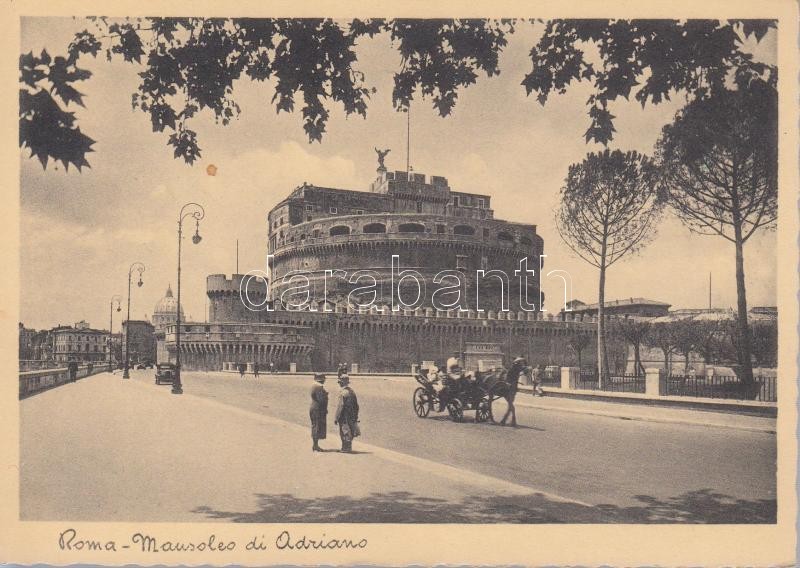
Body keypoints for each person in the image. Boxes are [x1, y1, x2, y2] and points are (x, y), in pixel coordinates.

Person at [334, 374, 360, 453]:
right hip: (352, 415)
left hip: (344, 415)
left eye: (340, 382)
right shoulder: (352, 392)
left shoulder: (343, 393)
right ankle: (348, 447)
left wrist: (336, 417)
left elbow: (340, 406)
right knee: (351, 430)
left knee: (344, 431)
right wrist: (355, 415)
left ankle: (345, 448)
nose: (339, 384)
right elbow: (356, 405)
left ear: (341, 383)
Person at [500, 356, 526, 427]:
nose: (521, 364)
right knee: (511, 405)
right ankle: (510, 420)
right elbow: (508, 377)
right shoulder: (513, 369)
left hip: (513, 386)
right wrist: (509, 383)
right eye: (520, 362)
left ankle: (505, 420)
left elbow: (523, 369)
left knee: (510, 405)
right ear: (517, 363)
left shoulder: (517, 368)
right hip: (509, 387)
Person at [309, 373, 328, 452]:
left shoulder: (314, 386)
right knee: (317, 426)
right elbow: (321, 400)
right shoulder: (319, 387)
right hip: (318, 409)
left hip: (314, 408)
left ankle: (315, 445)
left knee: (315, 425)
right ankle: (315, 445)